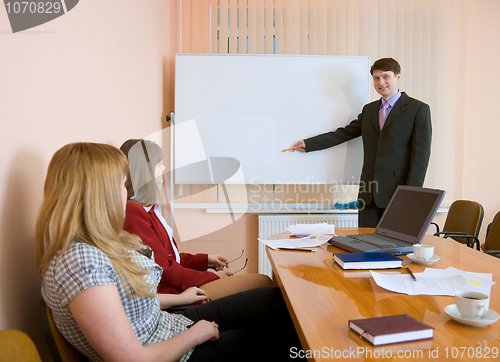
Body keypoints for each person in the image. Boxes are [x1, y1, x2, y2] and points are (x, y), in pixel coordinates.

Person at [35, 142, 303, 362]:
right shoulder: (82, 264)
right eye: (120, 183)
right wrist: (195, 335)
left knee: (277, 301)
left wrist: (179, 299)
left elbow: (126, 301)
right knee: (277, 334)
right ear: (99, 194)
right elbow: (132, 359)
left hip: (166, 325)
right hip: (173, 349)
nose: (124, 191)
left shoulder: (96, 244)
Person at [120, 139, 272, 300]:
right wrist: (213, 277)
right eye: (159, 164)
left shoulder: (148, 209)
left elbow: (170, 258)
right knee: (265, 287)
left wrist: (205, 260)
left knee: (265, 283)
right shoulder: (134, 212)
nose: (164, 168)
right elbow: (164, 270)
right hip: (173, 293)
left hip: (178, 286)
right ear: (145, 171)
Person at [293, 58, 431, 227]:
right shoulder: (369, 110)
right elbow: (344, 133)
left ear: (398, 77)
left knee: (394, 249)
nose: (381, 82)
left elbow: (421, 157)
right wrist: (309, 144)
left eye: (386, 77)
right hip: (368, 195)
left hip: (398, 194)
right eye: (376, 78)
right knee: (365, 246)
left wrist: (410, 196)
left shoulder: (418, 109)